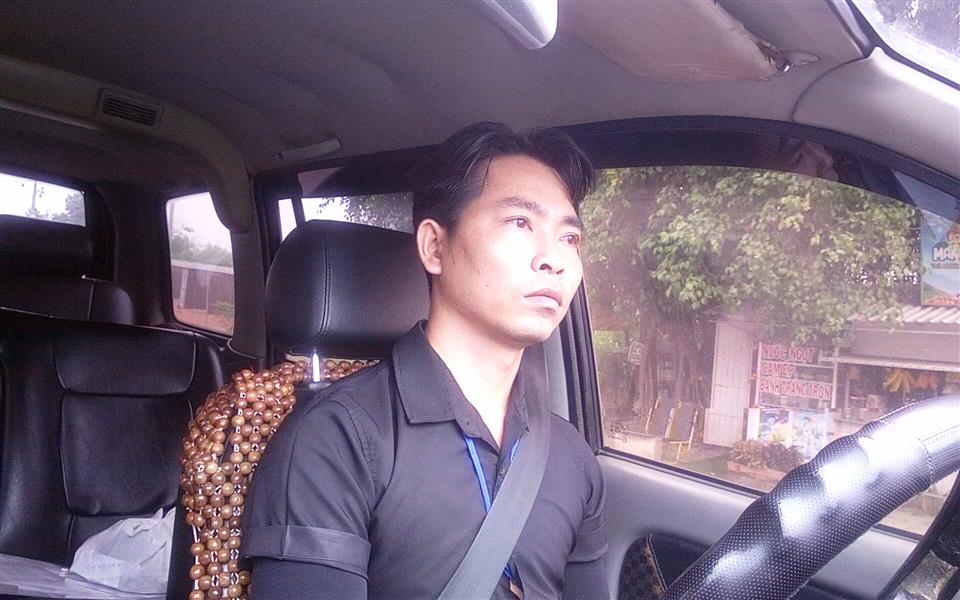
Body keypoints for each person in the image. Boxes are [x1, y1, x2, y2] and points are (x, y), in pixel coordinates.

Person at [243, 122, 609, 599]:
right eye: (520, 222)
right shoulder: (336, 441)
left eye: (570, 238)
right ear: (435, 246)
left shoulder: (571, 455)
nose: (554, 259)